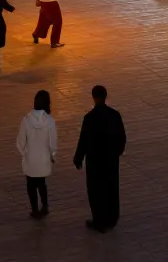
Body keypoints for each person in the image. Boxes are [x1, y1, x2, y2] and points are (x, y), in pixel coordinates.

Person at [74, 85, 126, 232]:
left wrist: (78, 157)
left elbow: (83, 140)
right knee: (111, 188)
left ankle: (99, 220)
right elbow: (122, 137)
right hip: (110, 160)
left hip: (95, 161)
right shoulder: (115, 115)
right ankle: (112, 217)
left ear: (94, 97)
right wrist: (117, 152)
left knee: (96, 190)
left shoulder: (89, 118)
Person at [17, 90, 57, 219]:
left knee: (31, 184)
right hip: (43, 159)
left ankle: (35, 209)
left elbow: (20, 141)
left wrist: (24, 153)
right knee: (41, 182)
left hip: (30, 159)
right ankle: (45, 206)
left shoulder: (26, 120)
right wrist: (52, 154)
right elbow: (53, 142)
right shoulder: (50, 121)